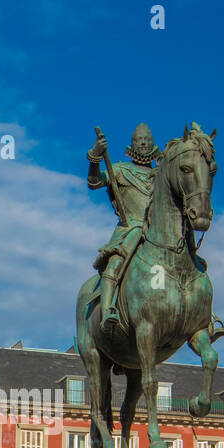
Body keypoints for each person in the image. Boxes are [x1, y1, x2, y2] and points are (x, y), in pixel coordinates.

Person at [87, 123, 160, 338]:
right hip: (131, 228)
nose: (144, 143)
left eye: (147, 139)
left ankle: (203, 316)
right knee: (116, 261)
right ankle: (108, 309)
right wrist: (95, 157)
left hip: (157, 232)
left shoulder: (161, 175)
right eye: (139, 139)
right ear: (133, 143)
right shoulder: (120, 170)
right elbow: (94, 181)